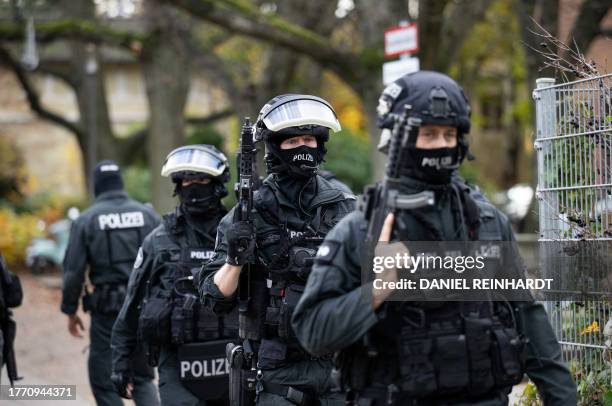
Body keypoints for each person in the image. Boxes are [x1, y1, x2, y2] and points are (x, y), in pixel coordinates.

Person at [292, 71, 577, 406]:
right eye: (428, 134)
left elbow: (529, 321)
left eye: (449, 134)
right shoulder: (360, 230)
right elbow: (313, 332)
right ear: (399, 138)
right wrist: (378, 289)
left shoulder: (486, 223)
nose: (441, 144)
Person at [200, 94, 356, 405]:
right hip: (275, 369)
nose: (302, 148)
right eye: (292, 140)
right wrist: (235, 260)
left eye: (309, 139)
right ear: (274, 147)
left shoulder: (343, 206)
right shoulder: (250, 210)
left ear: (320, 144)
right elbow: (212, 298)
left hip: (336, 365)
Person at [111, 145, 236, 406]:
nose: (193, 187)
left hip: (234, 361)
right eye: (187, 180)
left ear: (217, 184)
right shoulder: (158, 240)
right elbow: (132, 305)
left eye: (201, 179)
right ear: (178, 186)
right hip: (177, 364)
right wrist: (121, 362)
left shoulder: (238, 235)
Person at [61, 160, 161, 406]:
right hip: (144, 308)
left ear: (97, 187)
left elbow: (73, 272)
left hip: (108, 313)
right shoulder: (148, 215)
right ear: (120, 183)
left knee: (104, 380)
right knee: (142, 379)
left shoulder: (86, 220)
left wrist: (70, 310)